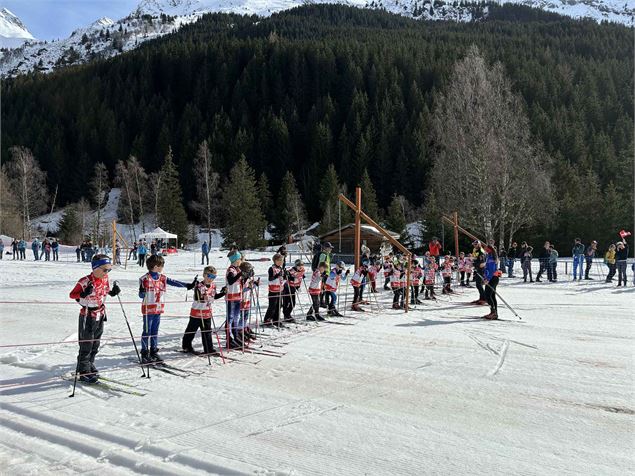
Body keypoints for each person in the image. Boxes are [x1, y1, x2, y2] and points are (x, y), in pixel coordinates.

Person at [69, 254, 121, 383]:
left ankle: (90, 364)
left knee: (96, 343)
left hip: (100, 314)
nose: (107, 272)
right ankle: (83, 371)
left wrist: (113, 292)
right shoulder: (85, 281)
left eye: (109, 269)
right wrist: (83, 293)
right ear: (95, 268)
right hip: (87, 315)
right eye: (104, 269)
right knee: (86, 343)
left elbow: (105, 290)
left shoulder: (105, 279)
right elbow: (72, 295)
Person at [139, 255, 196, 363]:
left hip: (158, 309)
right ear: (156, 266)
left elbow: (174, 282)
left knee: (155, 331)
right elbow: (141, 296)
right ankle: (144, 352)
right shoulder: (144, 279)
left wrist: (188, 285)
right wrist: (142, 291)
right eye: (161, 265)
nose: (162, 267)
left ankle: (153, 351)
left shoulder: (162, 278)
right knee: (147, 331)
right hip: (148, 310)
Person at [182, 266, 226, 355]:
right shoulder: (199, 285)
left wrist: (224, 292)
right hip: (197, 312)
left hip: (207, 313)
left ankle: (209, 349)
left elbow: (215, 296)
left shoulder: (213, 286)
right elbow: (198, 297)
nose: (211, 279)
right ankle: (186, 346)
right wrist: (202, 296)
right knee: (191, 330)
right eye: (209, 276)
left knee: (207, 332)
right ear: (204, 275)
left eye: (213, 277)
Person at [225, 250, 244, 344]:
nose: (241, 260)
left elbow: (240, 282)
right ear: (236, 260)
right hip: (231, 297)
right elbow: (231, 281)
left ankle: (235, 336)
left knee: (236, 317)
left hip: (238, 296)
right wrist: (240, 275)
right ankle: (229, 338)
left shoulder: (238, 269)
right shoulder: (231, 270)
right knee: (230, 317)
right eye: (239, 259)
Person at [239, 261, 259, 342]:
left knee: (246, 316)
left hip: (247, 299)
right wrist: (252, 286)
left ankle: (244, 329)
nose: (251, 273)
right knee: (242, 316)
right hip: (241, 300)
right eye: (250, 271)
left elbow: (249, 286)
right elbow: (243, 289)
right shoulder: (241, 279)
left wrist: (254, 283)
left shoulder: (248, 279)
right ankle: (240, 331)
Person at [263, 253, 284, 328]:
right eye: (278, 260)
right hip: (273, 290)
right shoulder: (271, 268)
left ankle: (276, 320)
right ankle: (267, 320)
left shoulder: (281, 268)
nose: (280, 262)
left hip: (279, 290)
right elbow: (270, 278)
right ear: (274, 261)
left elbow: (282, 278)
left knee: (279, 305)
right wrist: (277, 275)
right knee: (272, 306)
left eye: (281, 260)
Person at [482, 246, 501, 320]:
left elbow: (492, 270)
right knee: (492, 296)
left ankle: (493, 312)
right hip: (493, 278)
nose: (485, 250)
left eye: (486, 249)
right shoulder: (489, 256)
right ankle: (494, 312)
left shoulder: (491, 257)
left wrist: (488, 279)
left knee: (487, 295)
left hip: (492, 278)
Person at [470, 240, 488, 305]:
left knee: (479, 284)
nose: (474, 246)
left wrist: (473, 264)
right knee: (478, 284)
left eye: (475, 244)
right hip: (477, 269)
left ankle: (484, 298)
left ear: (479, 245)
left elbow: (482, 263)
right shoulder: (476, 250)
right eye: (474, 244)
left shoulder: (481, 252)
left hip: (481, 270)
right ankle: (481, 298)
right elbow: (475, 258)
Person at [318, 242, 333, 307]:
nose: (331, 249)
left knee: (324, 288)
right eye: (329, 248)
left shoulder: (327, 255)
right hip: (323, 274)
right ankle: (321, 302)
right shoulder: (323, 255)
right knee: (322, 288)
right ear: (325, 248)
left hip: (327, 274)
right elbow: (321, 264)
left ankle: (323, 301)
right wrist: (322, 273)